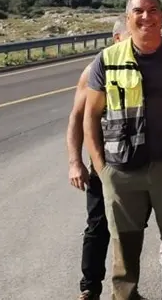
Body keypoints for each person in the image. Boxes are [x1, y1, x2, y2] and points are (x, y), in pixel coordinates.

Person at [82, 0, 162, 300]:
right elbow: (90, 116)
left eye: (153, 10)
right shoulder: (107, 59)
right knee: (124, 255)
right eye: (139, 11)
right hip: (122, 172)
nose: (147, 17)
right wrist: (102, 170)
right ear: (128, 18)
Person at [67, 19, 127, 300]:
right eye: (129, 35)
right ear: (116, 37)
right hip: (101, 168)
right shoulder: (95, 69)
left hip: (139, 167)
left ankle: (128, 289)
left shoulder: (147, 66)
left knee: (130, 231)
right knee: (97, 226)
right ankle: (90, 286)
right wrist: (75, 161)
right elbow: (77, 118)